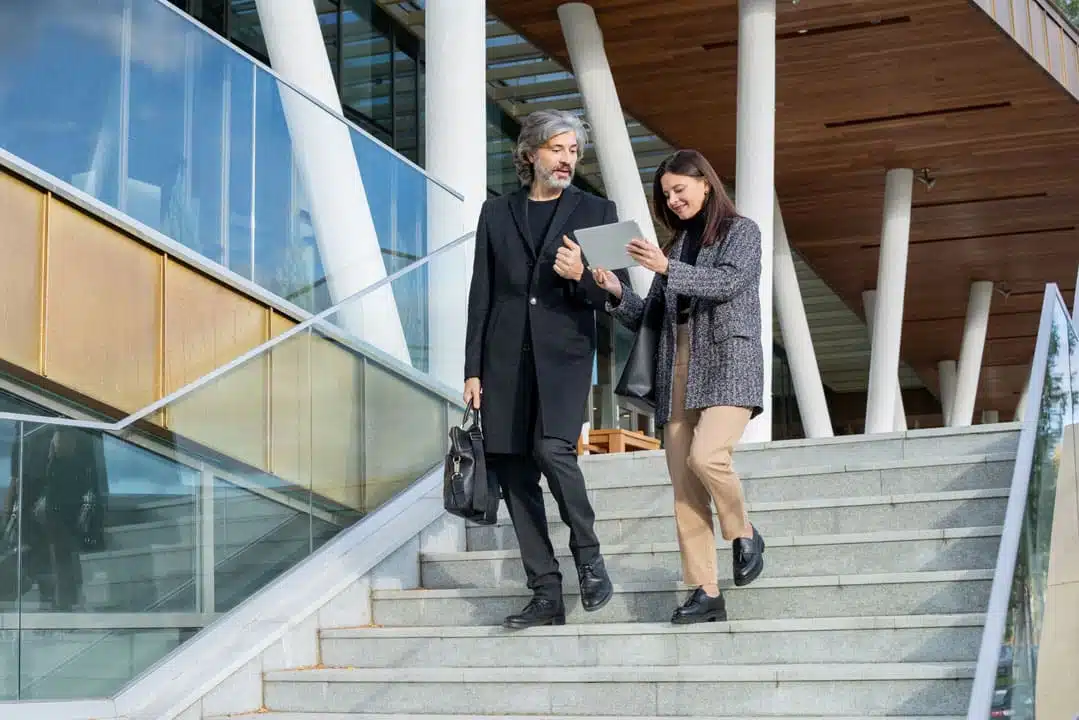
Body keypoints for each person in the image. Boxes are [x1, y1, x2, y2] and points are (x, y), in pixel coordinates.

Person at [592, 149, 766, 624]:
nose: (672, 200)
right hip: (677, 365)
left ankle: (743, 529)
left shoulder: (741, 232)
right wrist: (615, 292)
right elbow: (648, 316)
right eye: (666, 195)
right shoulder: (671, 248)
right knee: (685, 487)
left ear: (705, 184)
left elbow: (730, 282)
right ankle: (705, 590)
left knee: (707, 457)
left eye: (679, 190)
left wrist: (667, 270)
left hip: (729, 360)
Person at [463, 109, 620, 629]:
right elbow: (480, 295)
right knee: (511, 469)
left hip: (566, 355)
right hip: (503, 358)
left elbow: (617, 292)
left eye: (574, 152)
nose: (568, 160)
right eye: (558, 149)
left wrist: (582, 277)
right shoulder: (495, 212)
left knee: (552, 450)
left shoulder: (601, 210)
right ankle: (545, 592)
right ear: (531, 153)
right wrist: (472, 370)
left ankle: (590, 559)